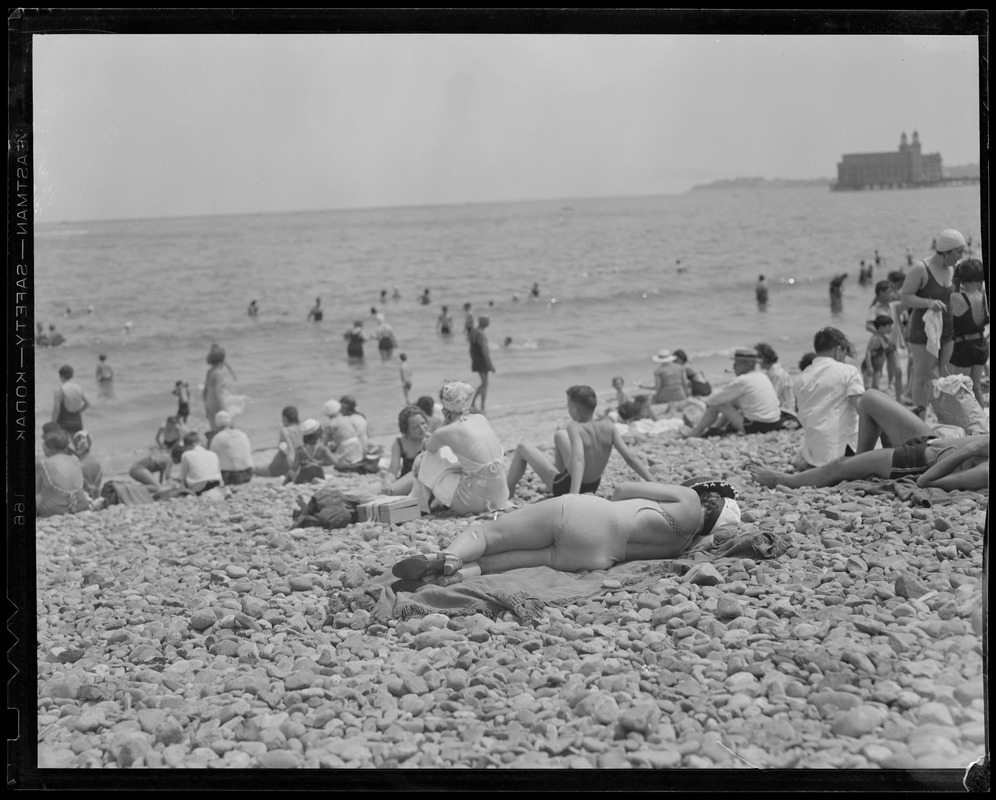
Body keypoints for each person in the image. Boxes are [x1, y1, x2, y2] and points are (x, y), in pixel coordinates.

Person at [389, 478, 751, 591]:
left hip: (589, 516)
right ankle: (456, 576)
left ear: (710, 501)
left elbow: (623, 490)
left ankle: (449, 557)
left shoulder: (689, 499)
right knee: (493, 564)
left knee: (486, 532)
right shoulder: (685, 546)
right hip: (597, 556)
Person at [748, 389, 988, 491]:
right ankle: (861, 463)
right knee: (870, 399)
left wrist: (974, 447)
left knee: (838, 466)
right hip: (932, 441)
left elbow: (928, 482)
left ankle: (787, 480)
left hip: (916, 461)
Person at [505, 385, 656, 498]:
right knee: (559, 435)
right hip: (592, 485)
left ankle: (509, 492)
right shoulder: (608, 425)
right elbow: (630, 457)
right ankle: (550, 483)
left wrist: (573, 497)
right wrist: (654, 483)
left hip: (566, 487)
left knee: (522, 447)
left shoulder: (575, 428)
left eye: (568, 405)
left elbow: (578, 459)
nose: (567, 408)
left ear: (576, 410)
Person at [409, 380, 509, 515]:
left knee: (425, 457)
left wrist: (445, 422)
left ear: (445, 406)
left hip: (472, 502)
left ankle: (421, 507)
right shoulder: (480, 418)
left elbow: (429, 446)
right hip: (501, 497)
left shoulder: (446, 431)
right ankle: (432, 502)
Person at [900, 229, 965, 411]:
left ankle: (939, 417)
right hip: (923, 333)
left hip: (948, 331)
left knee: (945, 377)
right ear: (946, 251)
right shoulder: (921, 268)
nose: (961, 256)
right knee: (923, 377)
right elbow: (905, 297)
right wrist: (928, 302)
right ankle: (919, 422)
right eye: (958, 252)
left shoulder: (953, 269)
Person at [792, 327, 865, 470]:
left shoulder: (800, 379)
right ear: (839, 350)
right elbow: (862, 410)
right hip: (843, 455)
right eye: (845, 354)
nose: (844, 360)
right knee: (875, 404)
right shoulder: (847, 371)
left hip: (814, 456)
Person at [682, 349, 783, 438]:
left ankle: (696, 432)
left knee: (718, 404)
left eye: (736, 363)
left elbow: (713, 400)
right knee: (732, 401)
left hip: (756, 426)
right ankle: (715, 428)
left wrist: (700, 400)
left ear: (747, 364)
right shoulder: (762, 375)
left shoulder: (743, 380)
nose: (733, 366)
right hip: (774, 423)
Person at [947, 258, 989, 408]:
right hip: (981, 345)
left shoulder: (957, 297)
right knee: (976, 386)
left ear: (961, 280)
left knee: (961, 388)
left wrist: (956, 282)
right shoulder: (984, 298)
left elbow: (952, 295)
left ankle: (968, 424)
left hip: (964, 346)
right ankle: (982, 423)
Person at [36, 427, 91, 517]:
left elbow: (37, 491)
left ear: (48, 448)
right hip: (80, 505)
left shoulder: (42, 463)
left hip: (53, 510)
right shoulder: (75, 459)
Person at [865, 280, 903, 401]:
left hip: (892, 345)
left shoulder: (894, 306)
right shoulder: (875, 309)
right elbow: (868, 325)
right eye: (889, 291)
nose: (892, 294)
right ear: (880, 293)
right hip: (880, 346)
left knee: (898, 370)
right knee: (878, 373)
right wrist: (881, 335)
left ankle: (899, 399)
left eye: (892, 291)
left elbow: (899, 322)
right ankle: (875, 399)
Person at [381, 405, 430, 496]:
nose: (422, 429)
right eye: (416, 427)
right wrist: (387, 482)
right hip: (405, 482)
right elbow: (393, 471)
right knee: (385, 491)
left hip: (422, 484)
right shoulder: (399, 444)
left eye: (423, 423)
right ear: (406, 430)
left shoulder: (430, 441)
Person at [254, 406, 304, 478]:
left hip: (282, 466)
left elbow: (288, 451)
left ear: (285, 418)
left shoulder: (285, 431)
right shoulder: (302, 428)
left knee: (255, 469)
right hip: (299, 463)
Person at [209, 410, 254, 486]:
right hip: (248, 474)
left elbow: (212, 460)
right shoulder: (242, 434)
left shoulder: (217, 438)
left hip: (229, 477)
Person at [286, 418, 335, 484]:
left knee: (290, 473)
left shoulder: (300, 450)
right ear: (317, 432)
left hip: (303, 478)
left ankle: (282, 487)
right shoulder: (322, 448)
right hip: (319, 476)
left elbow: (294, 467)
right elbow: (335, 461)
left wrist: (288, 457)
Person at [320, 399, 365, 469]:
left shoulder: (328, 424)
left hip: (345, 450)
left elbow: (324, 444)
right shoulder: (348, 418)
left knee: (330, 458)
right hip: (358, 448)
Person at [203, 343, 236, 431]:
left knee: (215, 430)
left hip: (209, 403)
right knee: (229, 428)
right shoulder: (219, 374)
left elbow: (205, 391)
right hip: (216, 404)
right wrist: (224, 410)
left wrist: (206, 408)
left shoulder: (210, 372)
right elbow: (217, 393)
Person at [755, 344, 795, 412]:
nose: (756, 361)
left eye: (758, 357)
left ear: (765, 357)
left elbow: (772, 398)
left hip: (784, 412)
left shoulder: (776, 374)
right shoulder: (773, 372)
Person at [51, 365, 90, 435]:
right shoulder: (79, 388)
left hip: (64, 423)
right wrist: (79, 411)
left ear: (61, 376)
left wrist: (53, 424)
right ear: (72, 375)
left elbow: (56, 410)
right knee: (76, 444)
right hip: (78, 422)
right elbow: (87, 404)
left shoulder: (59, 391)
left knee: (63, 445)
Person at [862, 316, 897, 392]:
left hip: (878, 368)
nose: (891, 328)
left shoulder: (884, 338)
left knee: (875, 388)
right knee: (868, 388)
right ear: (881, 327)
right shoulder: (875, 339)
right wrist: (869, 366)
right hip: (870, 367)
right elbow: (868, 352)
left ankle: (872, 402)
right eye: (889, 326)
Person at [469, 316, 495, 412]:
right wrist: (491, 364)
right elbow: (484, 350)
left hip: (476, 359)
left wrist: (473, 359)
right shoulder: (481, 334)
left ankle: (480, 404)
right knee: (484, 383)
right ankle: (479, 404)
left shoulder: (473, 332)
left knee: (484, 383)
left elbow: (471, 349)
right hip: (482, 360)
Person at [72, 430, 103, 501]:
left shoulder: (77, 464)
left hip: (84, 498)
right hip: (97, 497)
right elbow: (98, 483)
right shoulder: (97, 462)